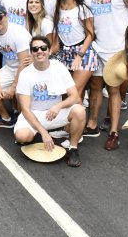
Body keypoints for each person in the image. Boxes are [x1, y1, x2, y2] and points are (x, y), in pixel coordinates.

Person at [14, 36, 85, 167]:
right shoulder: (25, 74)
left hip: (54, 113)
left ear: (50, 51)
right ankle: (37, 134)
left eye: (43, 48)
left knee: (79, 111)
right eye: (35, 49)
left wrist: (59, 106)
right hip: (34, 114)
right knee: (22, 136)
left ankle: (73, 148)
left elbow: (75, 97)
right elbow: (25, 109)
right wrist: (43, 133)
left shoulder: (59, 67)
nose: (39, 51)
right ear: (31, 53)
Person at [82, 0, 128, 149]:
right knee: (95, 85)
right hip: (96, 47)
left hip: (118, 48)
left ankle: (113, 133)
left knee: (114, 89)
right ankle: (92, 124)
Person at [51, 0, 97, 100]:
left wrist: (79, 56)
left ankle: (73, 119)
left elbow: (90, 35)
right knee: (69, 93)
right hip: (65, 52)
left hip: (84, 52)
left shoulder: (82, 8)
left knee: (74, 92)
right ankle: (76, 119)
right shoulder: (56, 7)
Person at [0, 4, 31, 128]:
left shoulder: (18, 32)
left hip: (28, 68)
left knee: (19, 97)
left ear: (6, 17)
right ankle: (6, 118)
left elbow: (24, 62)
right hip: (10, 68)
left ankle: (24, 121)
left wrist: (13, 87)